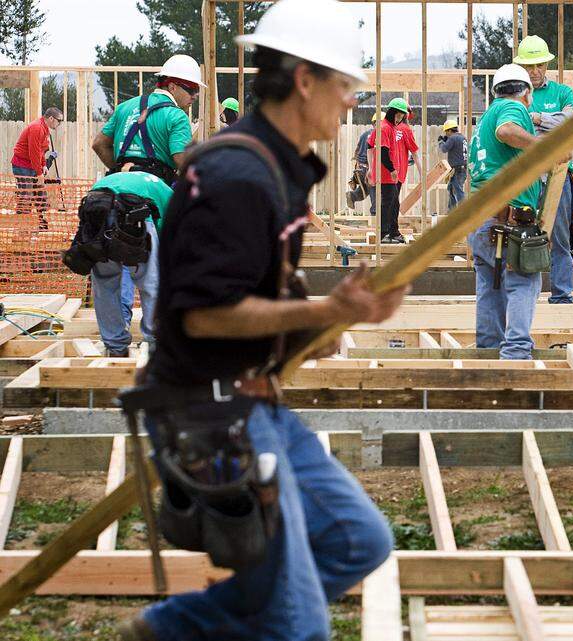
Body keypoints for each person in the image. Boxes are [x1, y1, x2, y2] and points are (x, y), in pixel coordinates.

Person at [116, 2, 402, 639]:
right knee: (299, 628)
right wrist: (327, 310)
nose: (352, 103)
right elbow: (202, 317)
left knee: (357, 542)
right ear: (304, 79)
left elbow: (250, 293)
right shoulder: (239, 177)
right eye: (346, 85)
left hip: (252, 402)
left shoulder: (275, 169)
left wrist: (315, 327)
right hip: (214, 418)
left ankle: (178, 627)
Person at [467, 63, 543, 359]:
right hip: (508, 219)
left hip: (481, 218)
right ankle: (516, 352)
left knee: (490, 285)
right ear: (526, 92)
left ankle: (488, 350)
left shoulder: (484, 119)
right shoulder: (513, 108)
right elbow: (507, 130)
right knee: (525, 281)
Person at [514, 35, 573, 304]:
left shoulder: (562, 92)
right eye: (530, 66)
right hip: (526, 177)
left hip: (557, 175)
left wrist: (540, 119)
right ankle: (524, 295)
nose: (535, 71)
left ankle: (562, 295)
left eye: (540, 65)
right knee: (523, 236)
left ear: (547, 65)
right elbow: (514, 130)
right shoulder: (515, 96)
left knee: (559, 237)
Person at [83, 172, 171, 357]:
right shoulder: (172, 196)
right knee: (150, 282)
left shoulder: (132, 180)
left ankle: (115, 346)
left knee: (105, 283)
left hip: (96, 211)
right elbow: (170, 236)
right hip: (134, 217)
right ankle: (153, 342)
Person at [93, 54, 201, 186]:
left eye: (198, 90)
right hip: (155, 189)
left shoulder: (124, 107)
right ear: (172, 87)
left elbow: (99, 144)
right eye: (192, 89)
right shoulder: (177, 116)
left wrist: (119, 171)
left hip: (118, 185)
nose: (195, 96)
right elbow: (182, 160)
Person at [10, 106, 63, 226]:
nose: (60, 124)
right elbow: (33, 152)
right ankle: (22, 227)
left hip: (33, 165)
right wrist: (39, 174)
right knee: (26, 195)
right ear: (51, 118)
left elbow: (42, 150)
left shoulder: (44, 129)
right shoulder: (36, 128)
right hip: (22, 165)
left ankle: (41, 222)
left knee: (40, 194)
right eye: (59, 120)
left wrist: (43, 165)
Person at [369, 98, 410, 243]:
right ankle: (383, 234)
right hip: (386, 173)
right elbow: (382, 151)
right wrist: (392, 169)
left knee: (393, 203)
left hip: (390, 173)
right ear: (391, 112)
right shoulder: (385, 127)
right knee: (388, 203)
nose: (399, 119)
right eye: (397, 115)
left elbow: (371, 146)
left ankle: (393, 232)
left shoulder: (390, 127)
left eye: (401, 116)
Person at [438, 119, 468, 210]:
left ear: (450, 130)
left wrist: (441, 141)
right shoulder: (462, 137)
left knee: (458, 191)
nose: (446, 134)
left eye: (446, 132)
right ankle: (452, 212)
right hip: (461, 169)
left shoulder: (453, 138)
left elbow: (443, 149)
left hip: (457, 170)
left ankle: (464, 212)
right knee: (451, 189)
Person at [353, 114, 377, 217]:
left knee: (367, 189)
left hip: (361, 167)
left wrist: (357, 165)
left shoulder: (364, 134)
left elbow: (357, 151)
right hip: (369, 167)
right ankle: (375, 216)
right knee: (375, 191)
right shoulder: (377, 136)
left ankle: (352, 196)